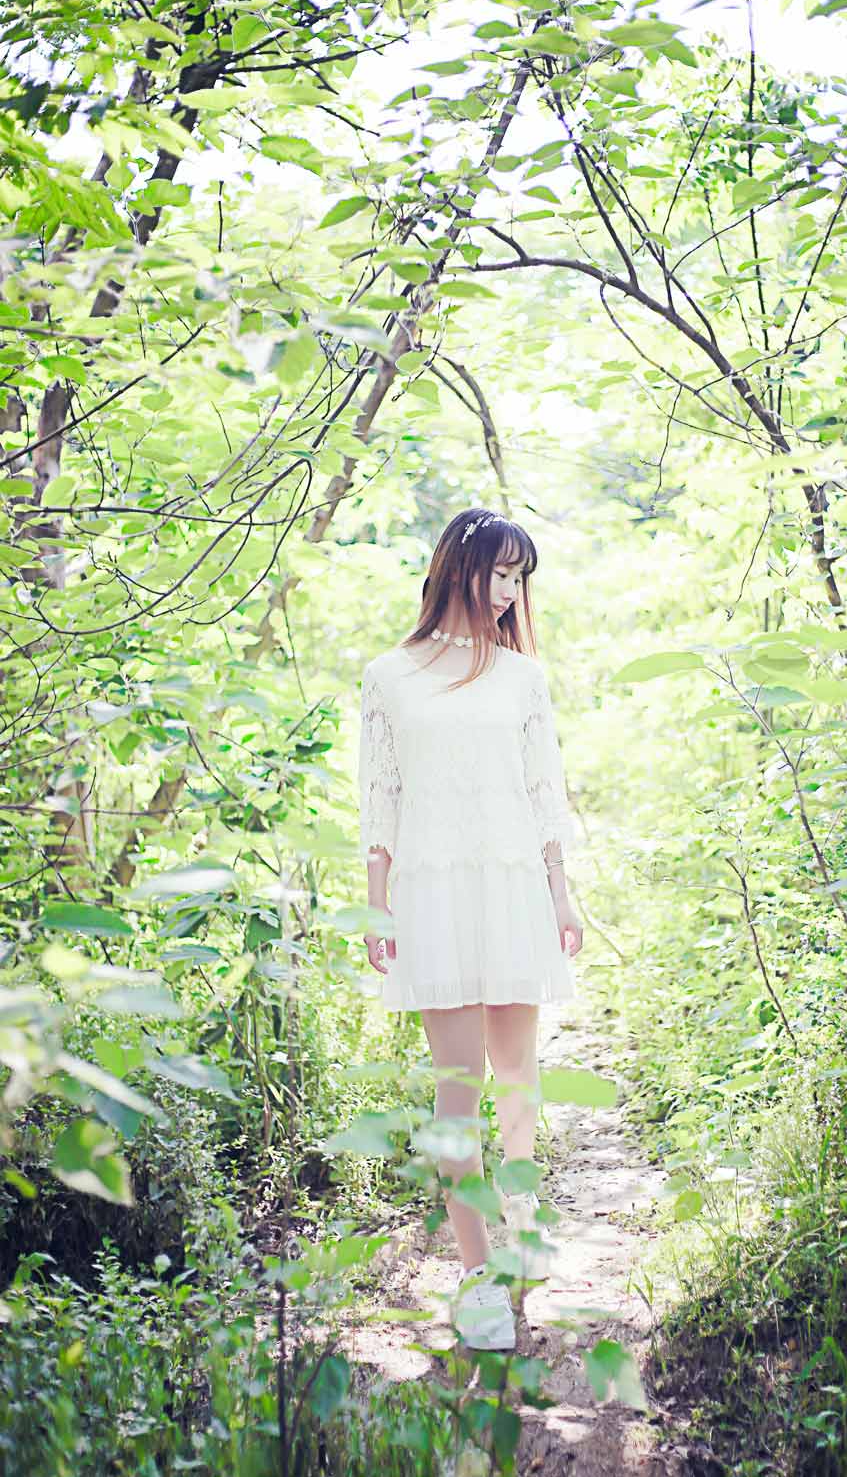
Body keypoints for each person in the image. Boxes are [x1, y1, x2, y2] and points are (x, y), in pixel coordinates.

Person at [358, 506, 584, 1351]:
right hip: (433, 893)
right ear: (460, 565)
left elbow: (543, 791)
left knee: (517, 1073)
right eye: (501, 572)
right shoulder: (389, 676)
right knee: (458, 1089)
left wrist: (561, 894)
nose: (509, 592)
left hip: (512, 883)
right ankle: (477, 1276)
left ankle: (522, 1214)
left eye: (520, 578)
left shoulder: (523, 678)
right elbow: (381, 797)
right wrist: (376, 903)